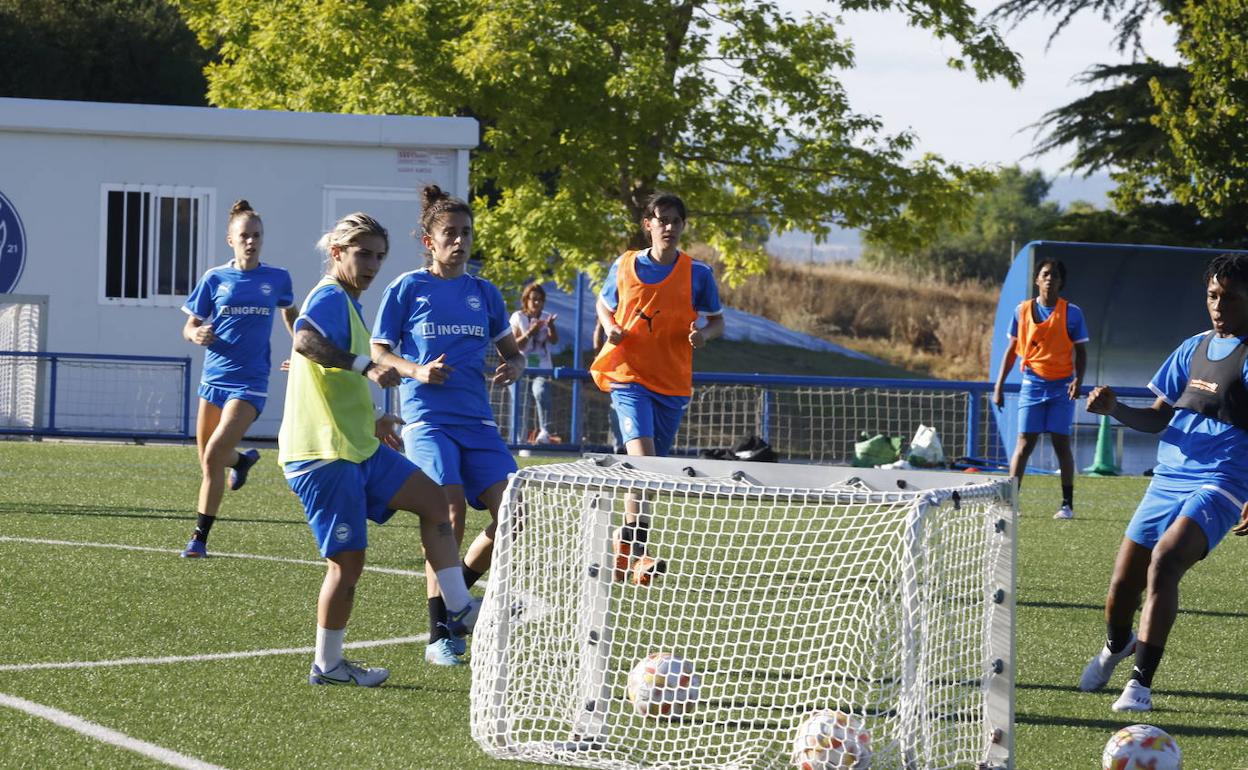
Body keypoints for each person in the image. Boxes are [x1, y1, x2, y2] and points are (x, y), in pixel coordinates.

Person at [280, 211, 481, 686]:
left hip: (357, 447)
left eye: (378, 256)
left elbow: (329, 382)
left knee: (435, 503)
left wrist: (374, 417)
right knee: (347, 565)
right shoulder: (329, 295)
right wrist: (366, 366)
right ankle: (328, 665)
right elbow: (304, 340)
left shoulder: (348, 303)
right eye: (362, 254)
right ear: (337, 254)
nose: (371, 264)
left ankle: (461, 609)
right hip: (323, 456)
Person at [1077, 253, 1248, 712]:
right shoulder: (1190, 348)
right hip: (1167, 478)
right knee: (1121, 588)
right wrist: (1114, 409)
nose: (1218, 305)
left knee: (1166, 562)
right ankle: (1117, 646)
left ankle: (1139, 687)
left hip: (1222, 480)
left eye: (1229, 298)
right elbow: (1157, 419)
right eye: (1212, 295)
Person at [370, 185, 525, 666]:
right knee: (448, 514)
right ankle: (441, 632)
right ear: (429, 242)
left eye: (466, 233)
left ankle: (459, 600)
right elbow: (378, 352)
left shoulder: (485, 293)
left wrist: (515, 366)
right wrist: (417, 370)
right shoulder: (407, 289)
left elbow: (512, 352)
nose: (460, 241)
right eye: (450, 234)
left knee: (517, 515)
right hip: (427, 421)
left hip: (478, 422)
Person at [589, 191, 724, 583]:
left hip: (671, 382)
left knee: (649, 478)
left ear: (683, 227)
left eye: (675, 221)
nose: (668, 227)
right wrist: (611, 325)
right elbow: (603, 302)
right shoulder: (625, 264)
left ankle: (624, 541)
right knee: (644, 464)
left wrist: (704, 335)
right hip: (629, 377)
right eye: (661, 219)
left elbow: (717, 322)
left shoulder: (698, 274)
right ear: (647, 224)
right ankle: (642, 555)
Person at [179, 199, 296, 558]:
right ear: (231, 239)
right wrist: (194, 335)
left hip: (251, 382)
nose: (251, 241)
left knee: (215, 453)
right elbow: (189, 325)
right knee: (208, 461)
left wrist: (302, 351)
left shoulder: (277, 278)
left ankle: (199, 539)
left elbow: (292, 316)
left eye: (256, 235)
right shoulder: (215, 278)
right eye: (244, 235)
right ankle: (242, 461)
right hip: (213, 379)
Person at [991, 258, 1089, 519]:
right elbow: (1012, 350)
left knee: (1061, 442)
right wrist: (998, 386)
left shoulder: (1072, 313)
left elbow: (1081, 351)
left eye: (1055, 275)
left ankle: (1066, 504)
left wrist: (1078, 380)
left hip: (1062, 385)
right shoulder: (1021, 311)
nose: (1049, 279)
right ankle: (1011, 501)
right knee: (1024, 442)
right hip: (1032, 383)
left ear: (1061, 282)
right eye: (1045, 274)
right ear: (1036, 279)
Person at [510, 282, 560, 443]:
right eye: (533, 299)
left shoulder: (546, 317)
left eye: (540, 300)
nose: (537, 303)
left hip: (542, 366)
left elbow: (553, 341)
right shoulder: (518, 317)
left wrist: (551, 327)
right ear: (526, 300)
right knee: (520, 402)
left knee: (540, 391)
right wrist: (530, 332)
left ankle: (545, 433)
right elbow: (515, 344)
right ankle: (519, 439)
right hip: (520, 365)